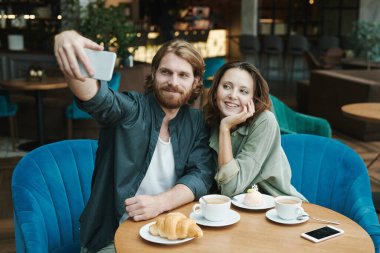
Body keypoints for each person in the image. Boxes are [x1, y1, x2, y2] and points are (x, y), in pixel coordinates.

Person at [54, 30, 214, 252]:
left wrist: (160, 203)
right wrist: (66, 41)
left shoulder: (196, 123)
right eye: (165, 72)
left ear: (196, 81)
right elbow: (96, 97)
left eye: (183, 75)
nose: (172, 82)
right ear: (154, 73)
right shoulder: (131, 109)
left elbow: (201, 174)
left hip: (172, 233)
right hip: (113, 235)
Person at [204, 61, 305, 200]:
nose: (233, 95)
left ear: (252, 99)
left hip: (277, 208)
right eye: (227, 86)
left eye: (243, 91)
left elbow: (230, 188)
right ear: (215, 91)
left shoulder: (264, 121)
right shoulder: (208, 120)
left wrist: (225, 128)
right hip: (233, 210)